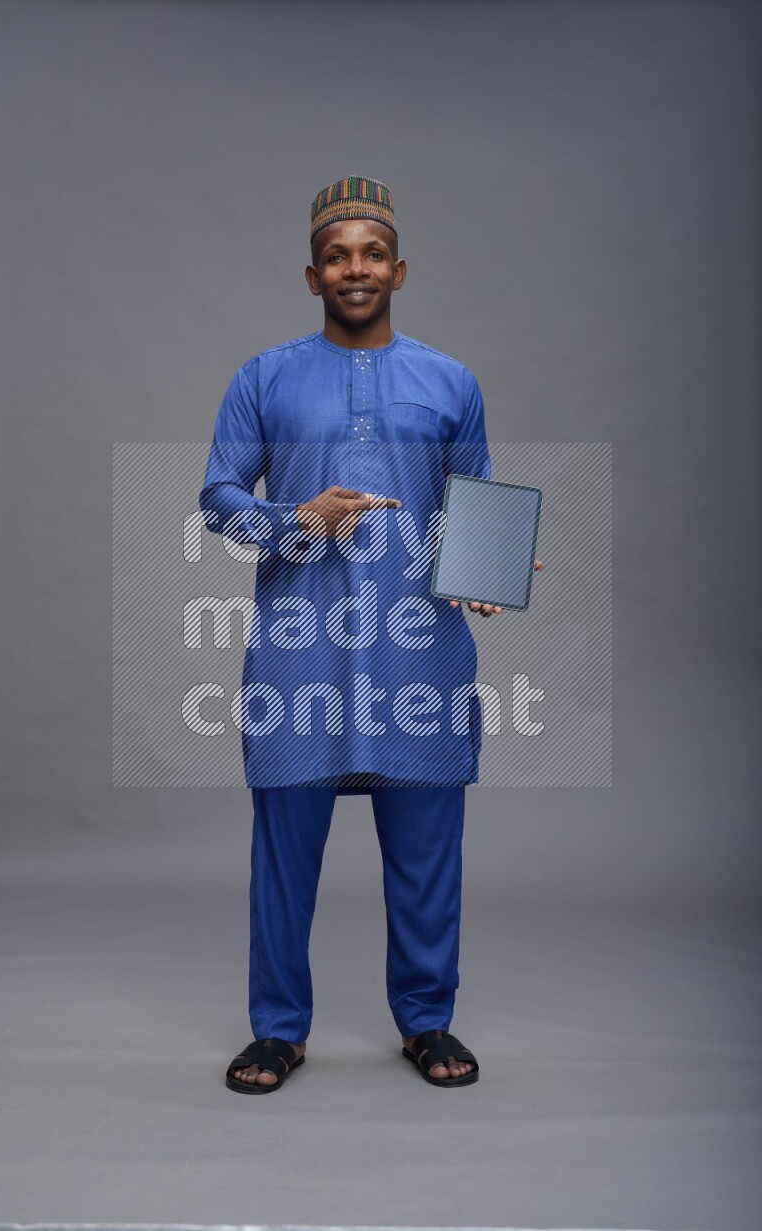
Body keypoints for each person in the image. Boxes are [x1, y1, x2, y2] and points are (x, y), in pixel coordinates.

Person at [199, 176, 542, 1092]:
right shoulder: (263, 378)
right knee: (283, 850)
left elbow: (473, 502)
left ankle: (427, 1020)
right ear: (313, 275)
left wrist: (490, 569)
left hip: (416, 650)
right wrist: (295, 519)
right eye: (339, 254)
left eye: (373, 253)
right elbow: (219, 503)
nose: (358, 268)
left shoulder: (449, 381)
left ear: (400, 269)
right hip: (299, 648)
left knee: (428, 849)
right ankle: (278, 1029)